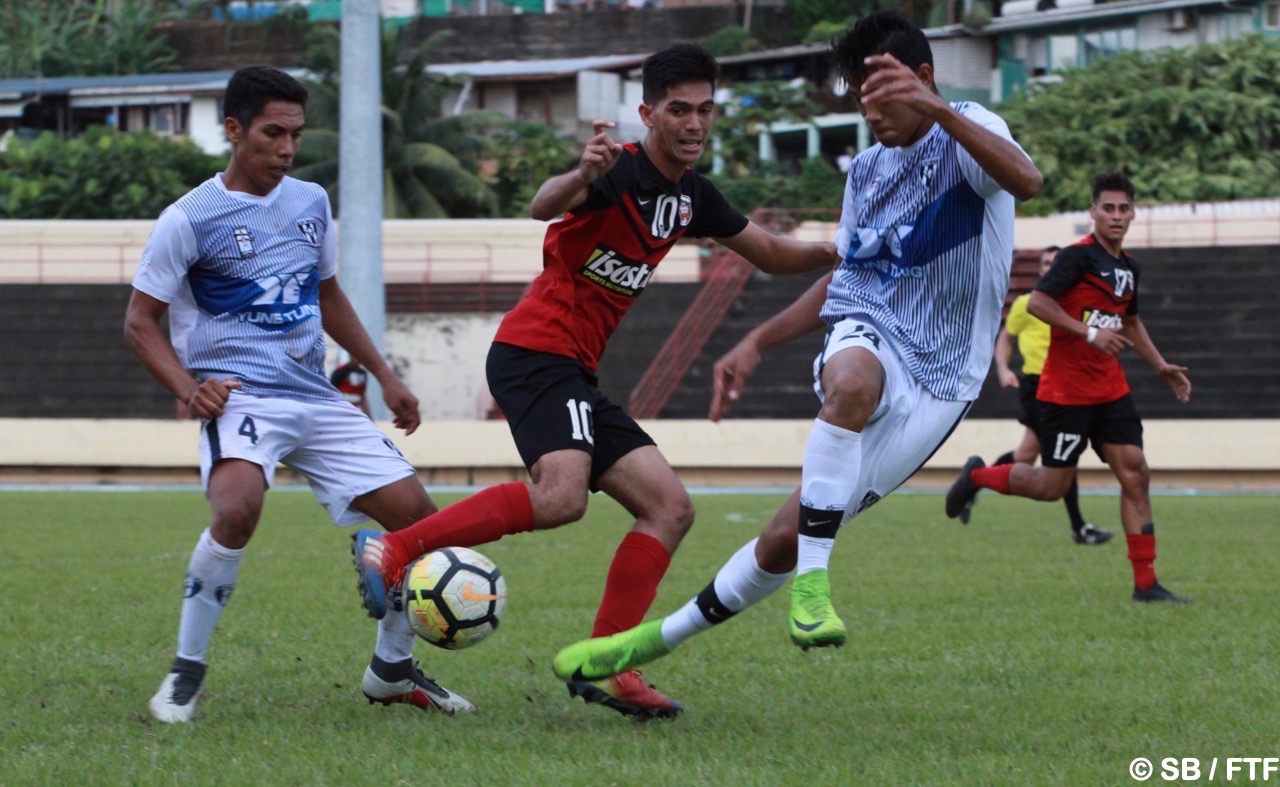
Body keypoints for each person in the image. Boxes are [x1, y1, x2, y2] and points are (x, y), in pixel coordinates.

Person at [549, 11, 1043, 689]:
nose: (873, 121)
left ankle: (648, 643)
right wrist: (758, 337)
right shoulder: (867, 170)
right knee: (850, 378)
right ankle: (815, 583)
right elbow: (851, 280)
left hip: (945, 378)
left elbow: (1027, 181)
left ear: (923, 80)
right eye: (861, 106)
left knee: (783, 533)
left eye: (885, 101)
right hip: (875, 334)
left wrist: (934, 109)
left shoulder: (972, 127)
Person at [351, 43, 838, 719]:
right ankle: (395, 546)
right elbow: (541, 205)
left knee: (670, 507)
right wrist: (581, 170)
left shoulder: (693, 197)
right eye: (678, 110)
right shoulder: (617, 171)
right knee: (561, 497)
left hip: (572, 367)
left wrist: (847, 246)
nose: (695, 123)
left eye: (705, 110)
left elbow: (774, 253)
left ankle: (610, 664)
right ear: (647, 113)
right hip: (534, 351)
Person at [125, 66, 473, 723]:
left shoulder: (310, 201)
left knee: (422, 523)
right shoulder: (189, 218)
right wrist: (189, 386)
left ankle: (392, 671)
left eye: (296, 135)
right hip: (242, 395)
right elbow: (138, 321)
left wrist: (385, 373)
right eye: (272, 133)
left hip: (314, 396)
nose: (287, 148)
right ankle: (186, 672)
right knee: (235, 508)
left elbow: (329, 295)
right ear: (234, 131)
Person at [945, 172, 1192, 603]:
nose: (1116, 216)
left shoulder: (1129, 267)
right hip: (1065, 393)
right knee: (1050, 487)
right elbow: (1039, 302)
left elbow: (1130, 321)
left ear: (1132, 213)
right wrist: (1088, 333)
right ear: (1093, 212)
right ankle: (979, 476)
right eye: (1107, 208)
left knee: (1136, 472)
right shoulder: (1077, 259)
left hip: (1110, 389)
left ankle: (1147, 584)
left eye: (1123, 209)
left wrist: (1159, 365)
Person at [985, 245, 1112, 545]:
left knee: (1026, 455)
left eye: (1055, 263)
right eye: (1045, 263)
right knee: (1062, 456)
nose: (1049, 267)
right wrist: (1003, 368)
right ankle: (1079, 527)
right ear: (1040, 269)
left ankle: (975, 479)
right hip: (1039, 386)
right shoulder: (1028, 304)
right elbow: (1006, 336)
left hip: (1069, 386)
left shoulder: (1078, 304)